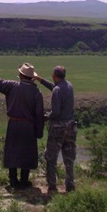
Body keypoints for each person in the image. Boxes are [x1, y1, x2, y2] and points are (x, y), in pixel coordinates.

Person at [0, 63, 44, 189]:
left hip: (14, 124)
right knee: (26, 153)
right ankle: (24, 181)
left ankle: (13, 181)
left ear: (21, 75)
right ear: (32, 77)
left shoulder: (12, 86)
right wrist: (39, 132)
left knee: (13, 152)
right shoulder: (37, 92)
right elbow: (39, 115)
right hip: (28, 127)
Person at [34, 65, 76, 193]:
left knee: (51, 157)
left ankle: (52, 186)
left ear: (54, 76)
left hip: (58, 128)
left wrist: (46, 117)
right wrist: (40, 79)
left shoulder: (57, 90)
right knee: (69, 157)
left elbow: (56, 112)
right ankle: (70, 185)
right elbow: (55, 88)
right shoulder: (69, 86)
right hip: (71, 126)